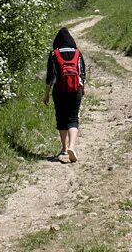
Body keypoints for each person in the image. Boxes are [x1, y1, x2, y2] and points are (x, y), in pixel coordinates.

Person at [43, 27, 87, 163]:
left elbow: (50, 76)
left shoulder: (54, 54)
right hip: (75, 89)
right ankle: (72, 147)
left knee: (61, 117)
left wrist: (46, 94)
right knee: (73, 117)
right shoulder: (77, 53)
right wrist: (82, 88)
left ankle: (64, 148)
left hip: (59, 90)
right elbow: (82, 73)